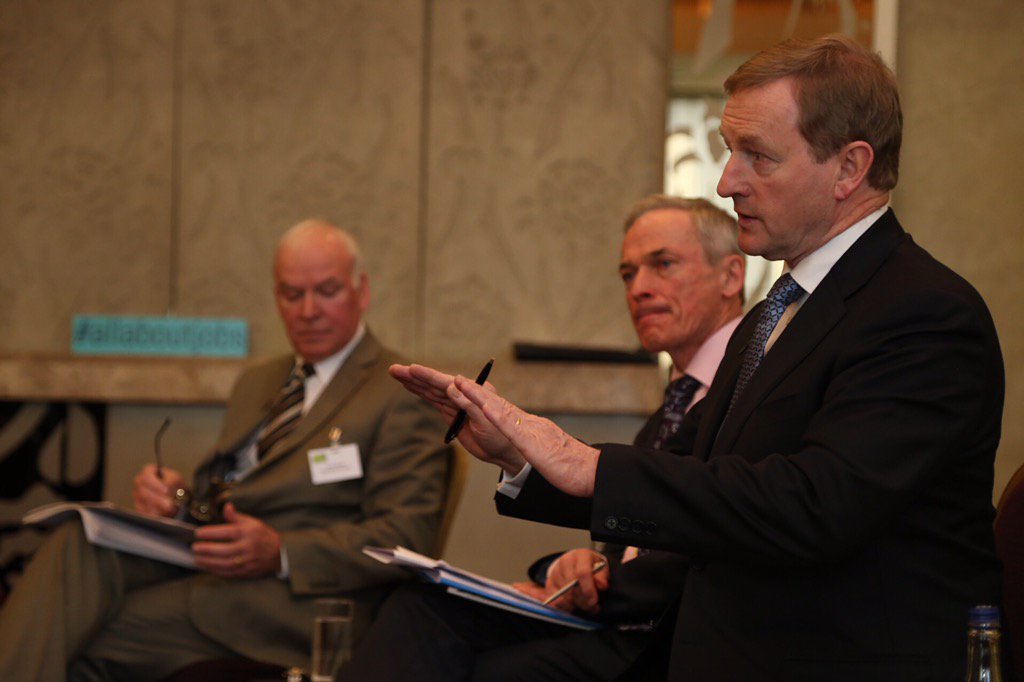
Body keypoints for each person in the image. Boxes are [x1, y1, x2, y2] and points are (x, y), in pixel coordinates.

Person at [390, 35, 1004, 680]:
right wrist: (522, 455)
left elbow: (814, 508)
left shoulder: (924, 312)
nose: (726, 182)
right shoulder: (774, 314)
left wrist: (583, 463)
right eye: (729, 151)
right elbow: (688, 477)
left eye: (757, 156)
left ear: (849, 168)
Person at [0, 219, 451, 681]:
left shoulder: (399, 392)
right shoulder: (258, 381)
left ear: (362, 292)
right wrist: (177, 502)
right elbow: (221, 498)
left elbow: (405, 537)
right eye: (291, 294)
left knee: (93, 638)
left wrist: (280, 551)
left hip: (296, 599)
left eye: (327, 291)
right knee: (76, 541)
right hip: (210, 561)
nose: (308, 310)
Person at [344, 196, 745, 681]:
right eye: (627, 274)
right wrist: (576, 567)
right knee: (419, 606)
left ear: (731, 276)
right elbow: (639, 538)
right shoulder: (668, 412)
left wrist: (600, 585)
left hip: (683, 643)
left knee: (482, 666)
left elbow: (715, 540)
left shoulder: (749, 395)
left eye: (663, 264)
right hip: (619, 624)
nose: (639, 289)